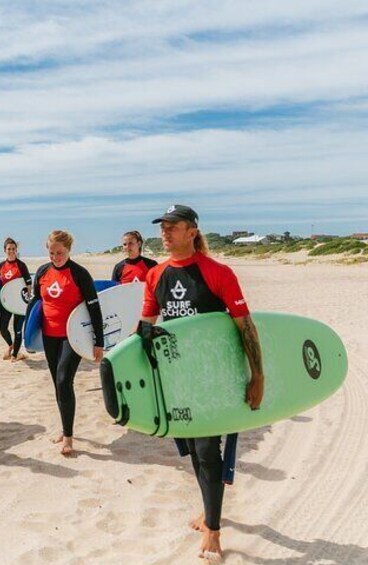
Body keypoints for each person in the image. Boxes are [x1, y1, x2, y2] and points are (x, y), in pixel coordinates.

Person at [141, 205, 264, 562]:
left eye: (172, 227)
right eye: (163, 227)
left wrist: (258, 375)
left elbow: (245, 326)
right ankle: (208, 509)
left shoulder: (217, 273)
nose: (165, 233)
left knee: (208, 450)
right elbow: (146, 328)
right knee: (194, 450)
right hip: (178, 376)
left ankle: (213, 529)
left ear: (192, 231)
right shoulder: (156, 275)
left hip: (211, 377)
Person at [29, 230, 104, 456]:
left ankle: (68, 438)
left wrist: (98, 341)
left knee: (64, 380)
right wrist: (27, 334)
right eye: (52, 253)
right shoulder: (42, 272)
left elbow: (94, 308)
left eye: (60, 253)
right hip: (49, 336)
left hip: (73, 337)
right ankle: (65, 427)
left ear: (69, 249)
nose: (55, 257)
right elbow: (35, 303)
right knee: (57, 383)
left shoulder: (80, 274)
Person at [0, 237, 31, 361]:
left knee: (17, 329)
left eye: (13, 249)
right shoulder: (1, 266)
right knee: (2, 328)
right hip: (6, 303)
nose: (11, 251)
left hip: (19, 303)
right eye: (9, 249)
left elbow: (28, 283)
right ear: (4, 250)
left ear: (16, 250)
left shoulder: (21, 265)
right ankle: (10, 346)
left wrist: (27, 302)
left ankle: (16, 354)